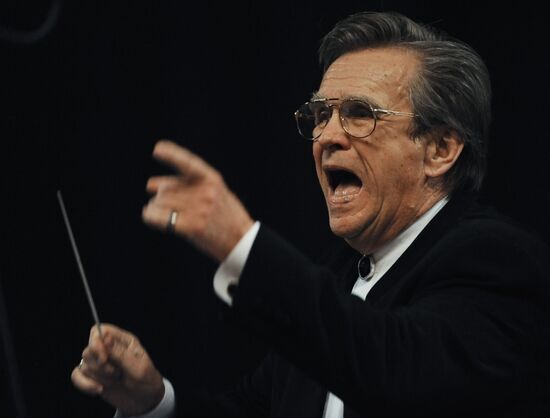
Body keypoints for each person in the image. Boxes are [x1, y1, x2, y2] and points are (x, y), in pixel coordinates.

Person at [71, 10, 550, 418]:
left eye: (360, 114)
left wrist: (241, 244)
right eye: (320, 115)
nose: (327, 137)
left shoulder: (495, 259)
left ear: (441, 149)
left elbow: (397, 369)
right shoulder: (334, 279)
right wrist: (154, 401)